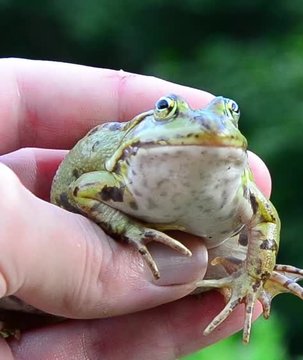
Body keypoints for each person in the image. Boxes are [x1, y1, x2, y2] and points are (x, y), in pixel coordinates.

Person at [0, 58, 271, 359]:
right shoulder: (121, 178)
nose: (208, 128)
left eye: (230, 114)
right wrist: (130, 230)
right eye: (167, 111)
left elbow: (267, 221)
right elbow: (81, 191)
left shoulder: (240, 185)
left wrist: (251, 276)